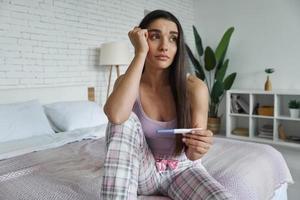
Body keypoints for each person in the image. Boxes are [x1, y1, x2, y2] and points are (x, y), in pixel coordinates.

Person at [101, 10, 234, 200]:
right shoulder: (127, 83)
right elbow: (115, 117)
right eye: (154, 37)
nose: (164, 46)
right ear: (142, 39)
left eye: (173, 39)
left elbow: (193, 156)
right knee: (125, 118)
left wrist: (199, 147)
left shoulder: (195, 88)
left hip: (181, 169)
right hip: (141, 171)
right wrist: (140, 53)